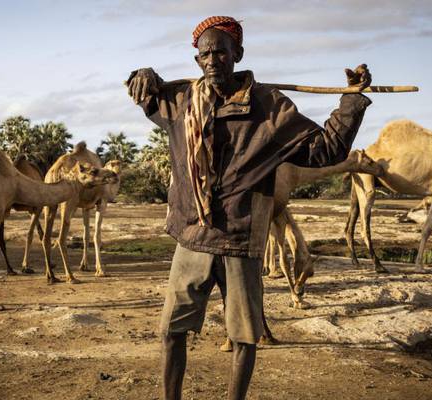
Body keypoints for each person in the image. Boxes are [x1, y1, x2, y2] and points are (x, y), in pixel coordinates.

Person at [126, 16, 372, 400]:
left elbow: (326, 149)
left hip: (241, 239)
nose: (212, 61)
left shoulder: (271, 108)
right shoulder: (181, 101)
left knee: (244, 335)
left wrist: (352, 99)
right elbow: (145, 93)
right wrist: (143, 73)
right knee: (171, 331)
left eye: (220, 53)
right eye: (204, 55)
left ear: (237, 54)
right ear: (197, 60)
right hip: (192, 236)